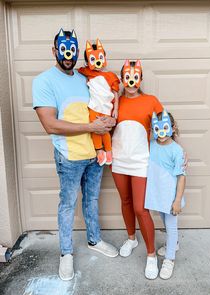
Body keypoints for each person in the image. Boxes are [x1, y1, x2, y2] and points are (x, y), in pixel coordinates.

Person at [32, 28, 118, 282]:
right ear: (54, 51)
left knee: (92, 200)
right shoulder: (44, 81)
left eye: (72, 50)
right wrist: (92, 127)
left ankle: (94, 240)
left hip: (95, 153)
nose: (68, 55)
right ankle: (66, 253)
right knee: (67, 204)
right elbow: (50, 124)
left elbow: (102, 103)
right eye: (63, 49)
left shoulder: (85, 77)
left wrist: (110, 117)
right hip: (69, 156)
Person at [111, 59, 163, 280]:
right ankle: (131, 238)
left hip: (141, 161)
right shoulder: (114, 101)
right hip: (119, 160)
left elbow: (166, 127)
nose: (131, 82)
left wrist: (176, 152)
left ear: (140, 79)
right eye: (127, 77)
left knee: (141, 209)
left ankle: (151, 255)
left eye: (135, 77)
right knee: (125, 202)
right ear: (122, 79)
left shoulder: (151, 101)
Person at [145, 110, 186, 279]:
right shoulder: (152, 143)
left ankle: (170, 259)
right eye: (157, 129)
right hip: (157, 194)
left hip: (170, 197)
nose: (161, 133)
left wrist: (177, 200)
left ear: (173, 127)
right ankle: (173, 244)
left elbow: (181, 177)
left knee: (171, 226)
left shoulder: (177, 150)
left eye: (165, 128)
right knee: (163, 220)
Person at [78, 39, 120, 166]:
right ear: (87, 62)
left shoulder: (111, 76)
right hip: (93, 107)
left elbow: (116, 93)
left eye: (100, 57)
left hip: (107, 107)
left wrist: (116, 109)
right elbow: (77, 71)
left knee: (105, 130)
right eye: (92, 59)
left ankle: (108, 151)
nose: (97, 62)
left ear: (104, 57)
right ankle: (99, 151)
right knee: (95, 129)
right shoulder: (88, 72)